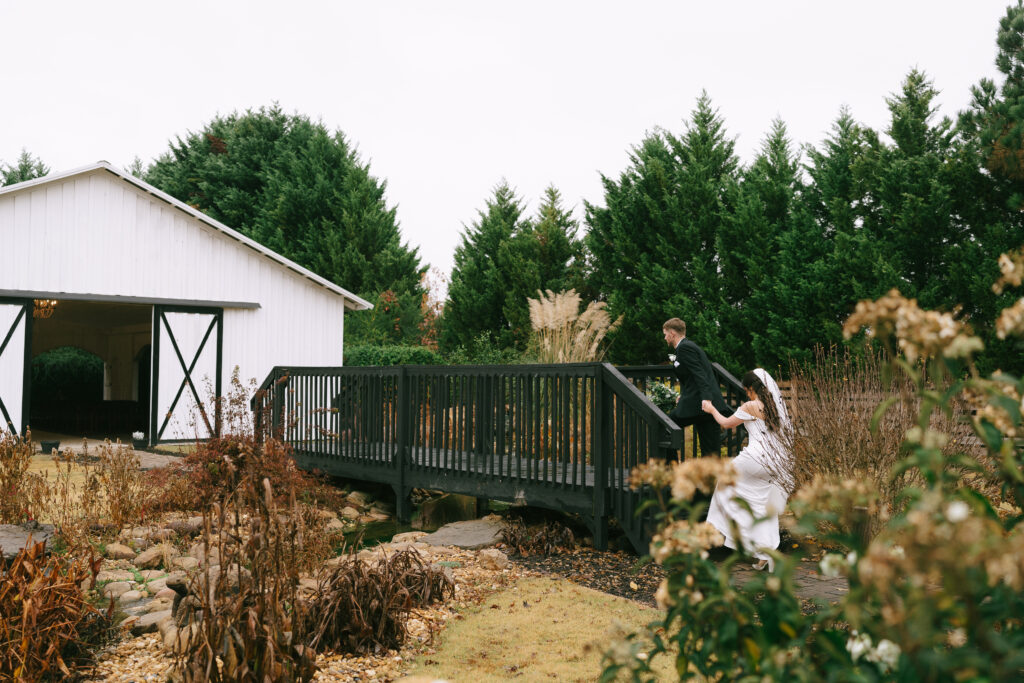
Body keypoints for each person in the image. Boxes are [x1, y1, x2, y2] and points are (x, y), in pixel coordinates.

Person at [702, 368, 793, 571]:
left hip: (753, 459)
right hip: (774, 464)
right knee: (761, 505)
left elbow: (726, 424)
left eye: (747, 390)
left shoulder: (751, 406)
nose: (746, 394)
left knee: (723, 486)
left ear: (752, 389)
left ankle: (717, 528)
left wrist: (711, 409)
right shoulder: (777, 409)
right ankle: (765, 555)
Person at [662, 318, 732, 456]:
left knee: (666, 427)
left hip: (701, 405)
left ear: (672, 333)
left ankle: (672, 470)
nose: (664, 338)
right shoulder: (688, 347)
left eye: (665, 334)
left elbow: (700, 374)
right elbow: (692, 377)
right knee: (710, 450)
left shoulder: (685, 348)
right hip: (701, 405)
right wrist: (684, 394)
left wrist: (706, 398)